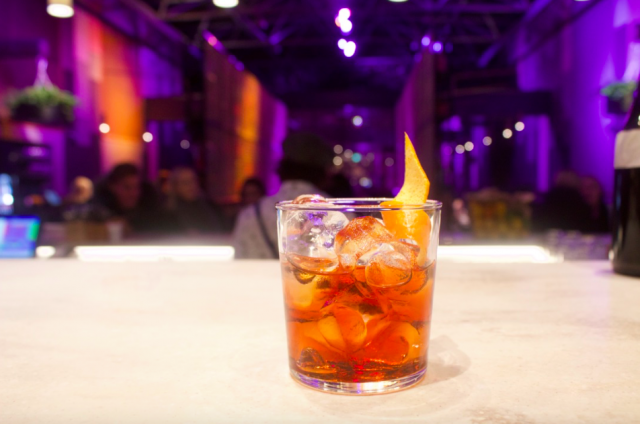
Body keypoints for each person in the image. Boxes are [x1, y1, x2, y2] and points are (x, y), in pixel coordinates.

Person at [233, 132, 332, 259]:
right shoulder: (339, 214)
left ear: (282, 168)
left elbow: (240, 261)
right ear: (321, 171)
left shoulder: (250, 214)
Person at [92, 163, 175, 235]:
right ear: (112, 187)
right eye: (127, 187)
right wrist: (109, 220)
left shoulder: (154, 210)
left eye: (136, 187)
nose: (133, 193)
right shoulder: (98, 209)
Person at [165, 167, 223, 234]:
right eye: (185, 182)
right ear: (176, 186)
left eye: (193, 181)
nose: (191, 186)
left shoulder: (210, 206)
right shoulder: (170, 212)